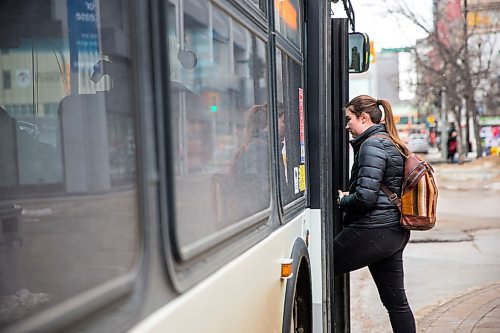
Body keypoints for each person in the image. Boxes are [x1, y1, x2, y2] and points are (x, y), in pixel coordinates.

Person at [335, 95, 415, 333]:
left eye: (349, 119)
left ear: (364, 117)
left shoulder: (372, 145)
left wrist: (342, 200)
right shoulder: (389, 141)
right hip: (392, 231)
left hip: (373, 230)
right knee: (396, 303)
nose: (347, 125)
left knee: (322, 265)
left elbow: (365, 198)